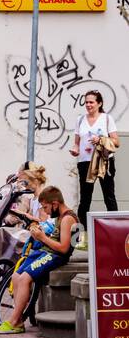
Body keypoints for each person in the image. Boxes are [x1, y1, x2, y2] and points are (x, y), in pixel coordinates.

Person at [0, 186, 77, 334]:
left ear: (55, 203)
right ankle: (17, 319)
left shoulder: (68, 219)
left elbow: (64, 248)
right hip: (46, 251)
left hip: (55, 256)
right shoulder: (60, 217)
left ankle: (15, 322)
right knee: (16, 275)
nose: (46, 211)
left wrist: (42, 237)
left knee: (25, 278)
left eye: (46, 207)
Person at [69, 90, 119, 232]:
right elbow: (77, 143)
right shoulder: (80, 120)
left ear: (99, 103)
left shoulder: (107, 118)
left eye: (91, 102)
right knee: (85, 199)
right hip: (85, 162)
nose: (88, 105)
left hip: (104, 161)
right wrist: (75, 149)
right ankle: (83, 233)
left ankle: (115, 230)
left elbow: (116, 142)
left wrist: (101, 139)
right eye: (86, 102)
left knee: (109, 196)